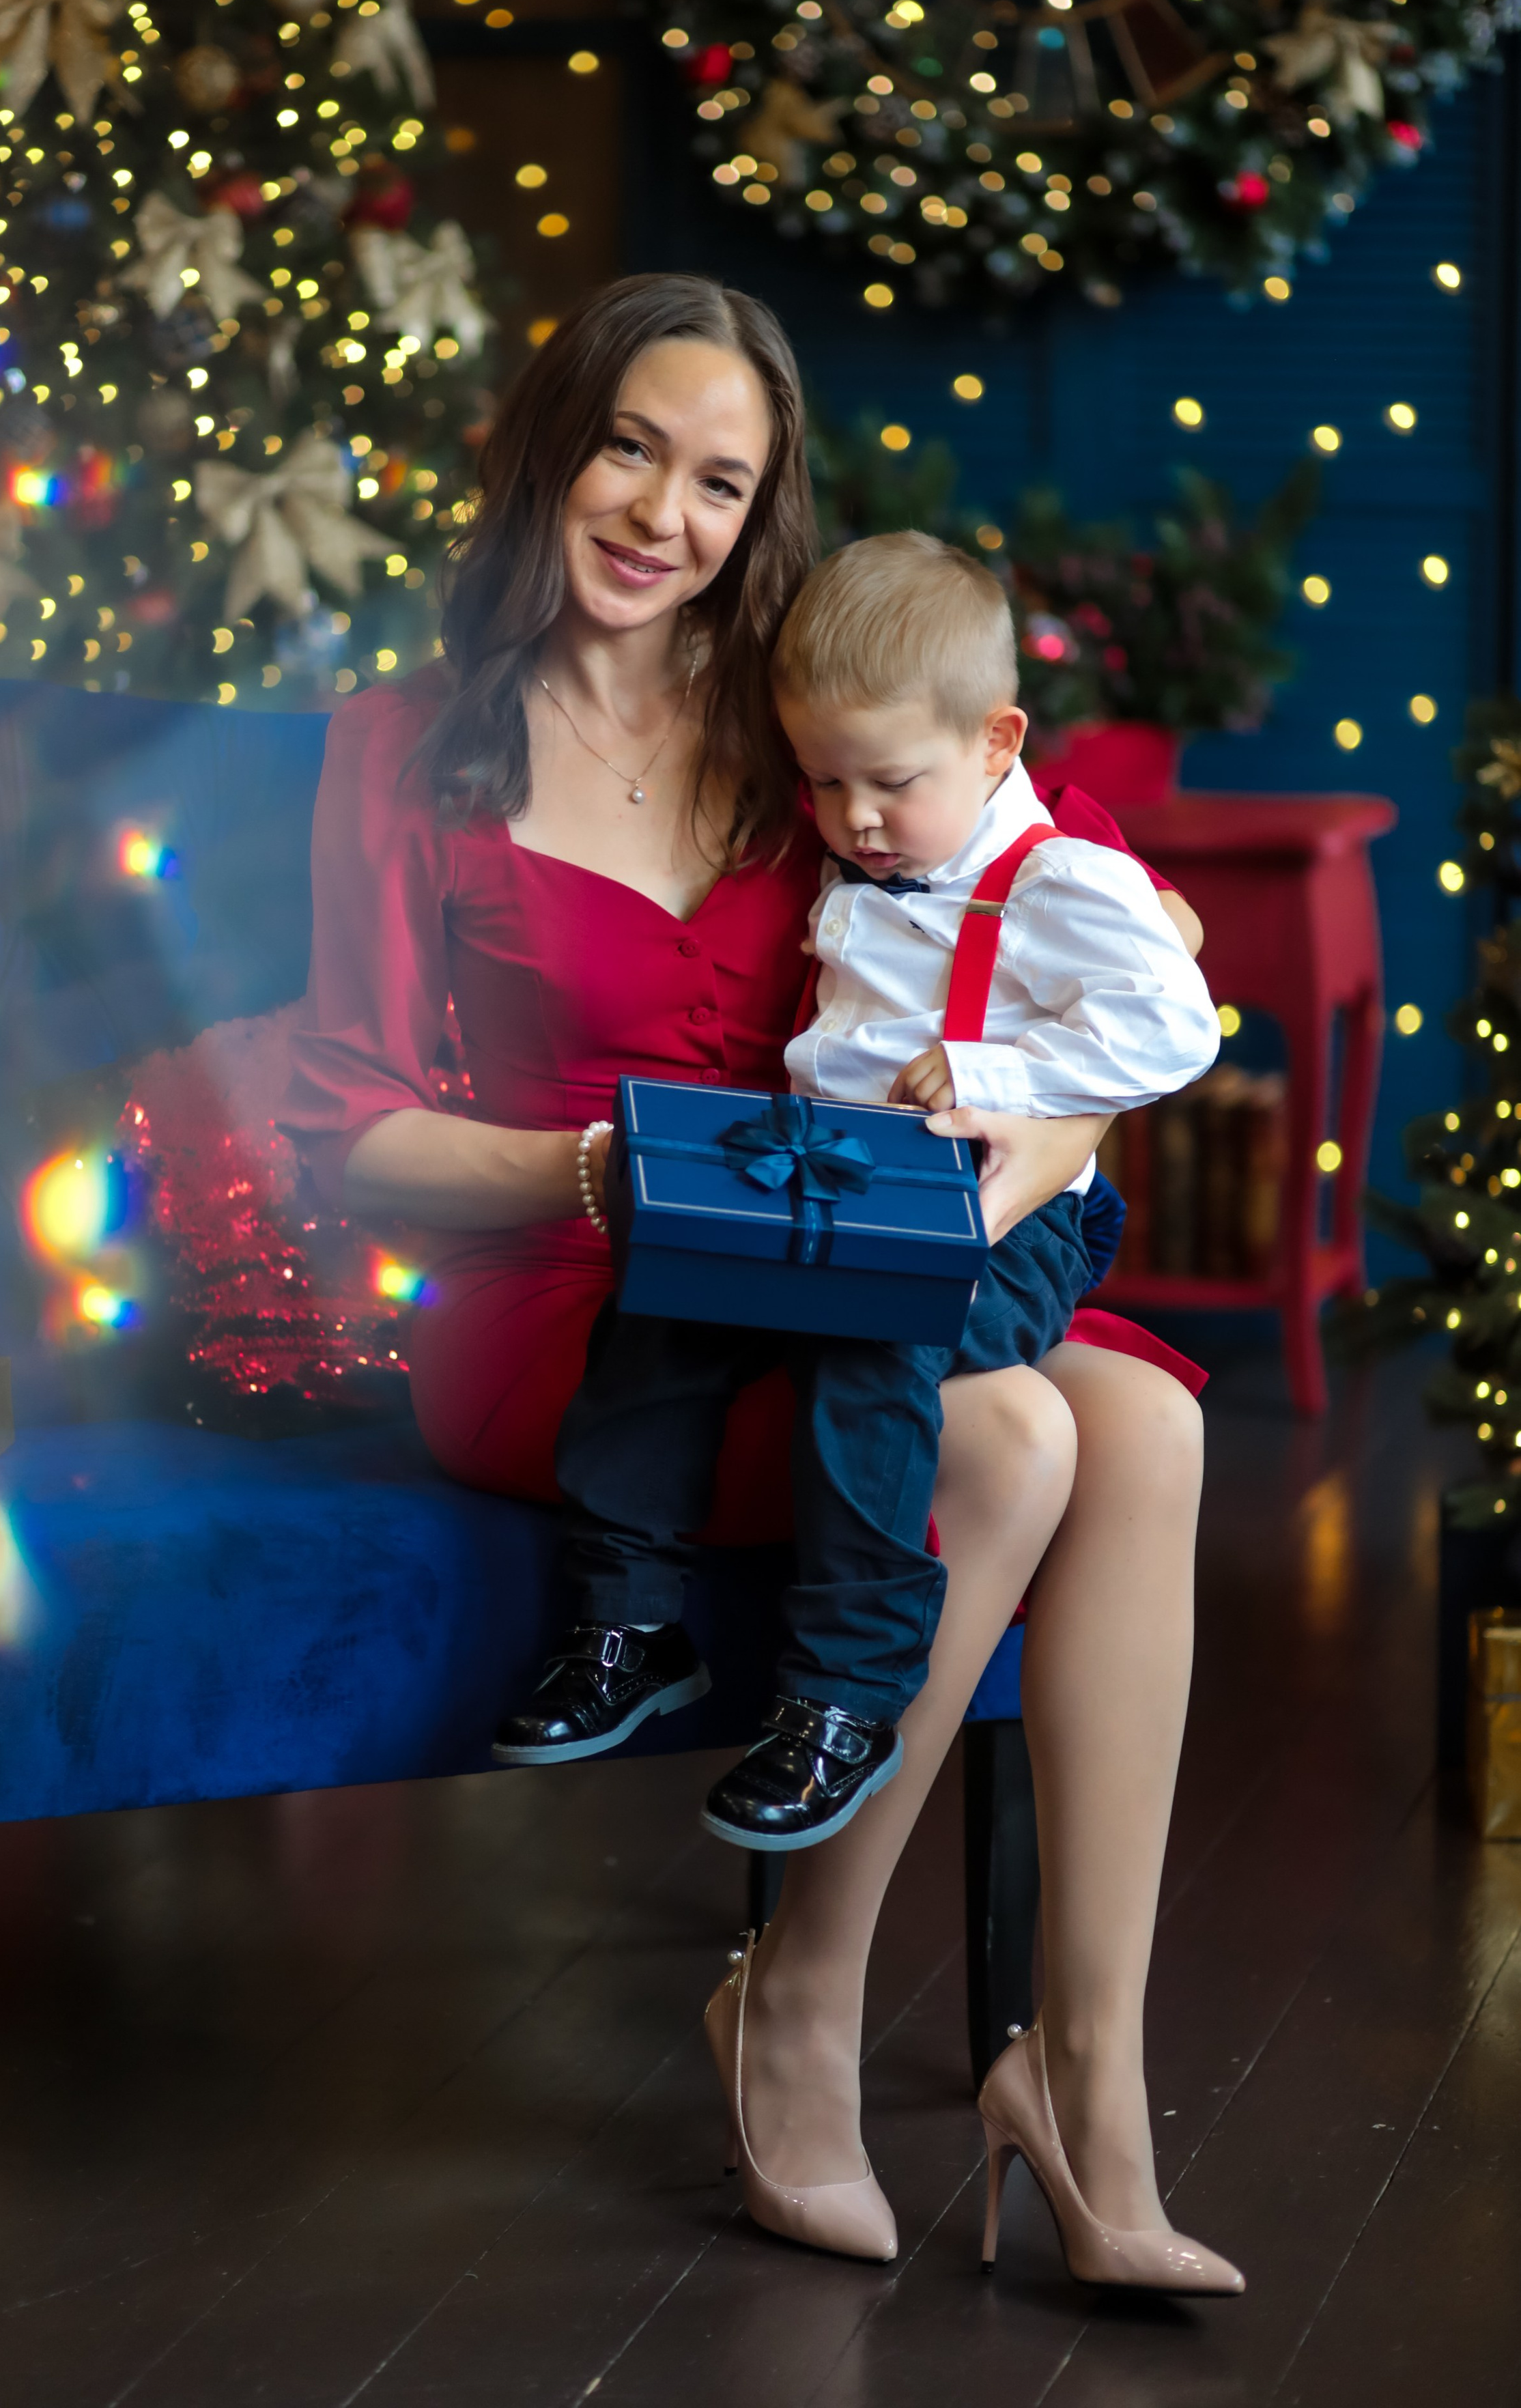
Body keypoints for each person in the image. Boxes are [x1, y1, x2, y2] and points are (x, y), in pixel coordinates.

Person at [279, 271, 1240, 2296]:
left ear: (759, 512)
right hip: (579, 1286)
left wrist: (1044, 1135)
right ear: (552, 447)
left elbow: (1089, 931)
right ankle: (796, 2002)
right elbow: (344, 1129)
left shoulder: (811, 717)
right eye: (628, 449)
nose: (662, 514)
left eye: (719, 481)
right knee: (1004, 1436)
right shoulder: (402, 746)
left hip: (851, 1251)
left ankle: (1084, 2077)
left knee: (1148, 1423)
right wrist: (610, 1173)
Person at [492, 530, 1221, 1873]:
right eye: (824, 783)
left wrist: (1002, 1074)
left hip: (1002, 1217)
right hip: (837, 1182)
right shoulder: (866, 852)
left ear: (997, 742)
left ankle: (845, 1693)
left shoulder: (1054, 876)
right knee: (664, 1308)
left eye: (890, 783)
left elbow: (1179, 1025)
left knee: (866, 1350)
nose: (855, 819)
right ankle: (627, 1622)